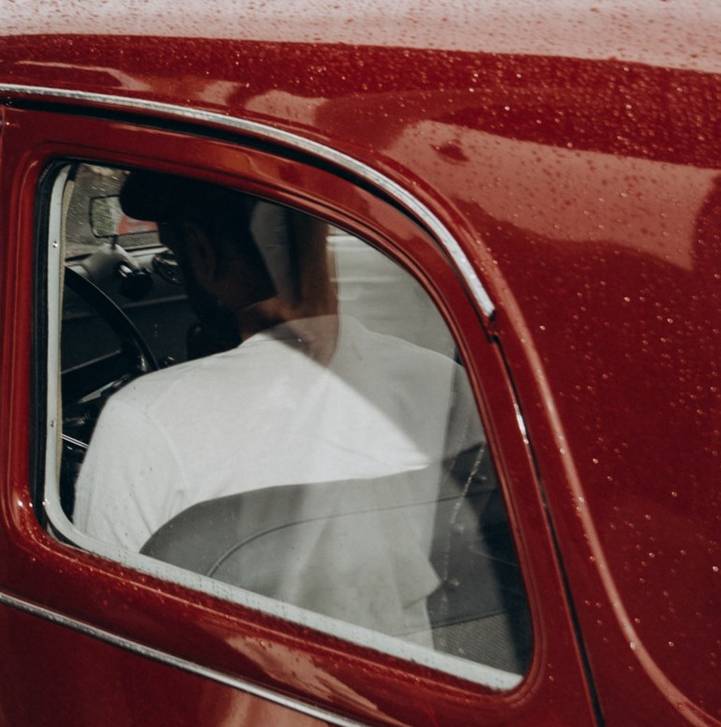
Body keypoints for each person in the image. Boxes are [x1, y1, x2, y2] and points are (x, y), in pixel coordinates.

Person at [72, 169, 464, 575]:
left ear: (203, 252)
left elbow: (101, 595)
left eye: (176, 256)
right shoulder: (446, 382)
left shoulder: (143, 421)